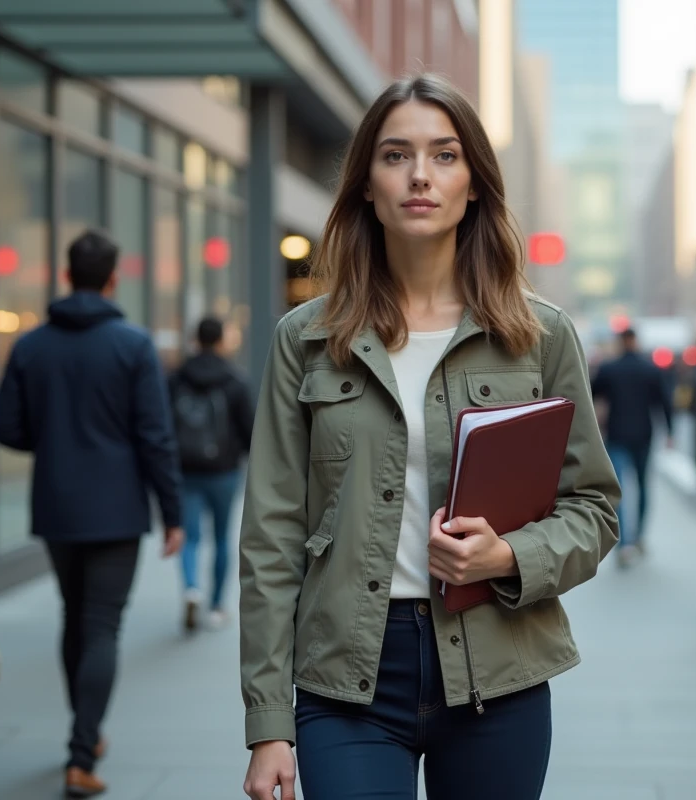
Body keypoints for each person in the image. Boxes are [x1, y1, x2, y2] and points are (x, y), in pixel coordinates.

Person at [238, 73, 620, 800]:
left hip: (497, 672)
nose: (420, 175)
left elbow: (594, 510)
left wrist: (507, 555)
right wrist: (267, 724)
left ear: (474, 182)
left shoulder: (539, 336)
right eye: (395, 155)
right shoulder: (307, 339)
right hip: (347, 677)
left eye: (445, 155)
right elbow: (270, 536)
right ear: (366, 186)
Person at [0, 230, 183, 798]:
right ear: (113, 278)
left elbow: (4, 425)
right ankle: (82, 751)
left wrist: (49, 441)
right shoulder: (132, 345)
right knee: (101, 627)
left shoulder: (31, 346)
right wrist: (173, 512)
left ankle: (84, 733)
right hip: (118, 509)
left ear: (67, 277)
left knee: (75, 618)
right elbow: (155, 437)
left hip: (55, 505)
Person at [169, 316, 255, 631]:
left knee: (190, 536)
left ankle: (192, 588)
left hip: (186, 469)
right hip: (223, 471)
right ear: (220, 341)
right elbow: (250, 429)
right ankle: (218, 605)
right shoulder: (234, 379)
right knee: (221, 537)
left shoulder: (177, 378)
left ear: (196, 340)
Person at [591, 327, 674, 565]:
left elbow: (591, 394)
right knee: (643, 486)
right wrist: (670, 431)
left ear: (620, 342)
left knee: (618, 490)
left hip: (616, 434)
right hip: (644, 435)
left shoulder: (609, 369)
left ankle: (624, 542)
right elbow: (664, 402)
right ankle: (639, 537)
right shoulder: (650, 369)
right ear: (636, 341)